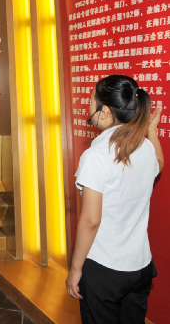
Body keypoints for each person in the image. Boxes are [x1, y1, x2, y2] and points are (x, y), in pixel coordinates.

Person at [66, 75, 163, 324]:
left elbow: (91, 221)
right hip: (140, 267)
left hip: (104, 269)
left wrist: (75, 269)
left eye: (91, 100)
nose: (88, 105)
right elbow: (159, 164)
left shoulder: (96, 155)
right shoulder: (145, 147)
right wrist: (151, 131)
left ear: (105, 111)